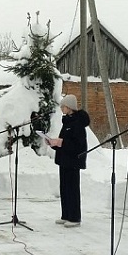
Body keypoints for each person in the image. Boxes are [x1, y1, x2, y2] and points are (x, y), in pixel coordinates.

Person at [49, 94, 89, 228]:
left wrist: (62, 143)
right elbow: (64, 143)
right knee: (64, 188)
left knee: (72, 189)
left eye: (63, 106)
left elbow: (78, 145)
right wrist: (53, 143)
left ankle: (75, 217)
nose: (61, 109)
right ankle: (66, 214)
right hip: (64, 160)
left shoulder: (78, 124)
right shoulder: (67, 122)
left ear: (70, 107)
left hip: (73, 161)